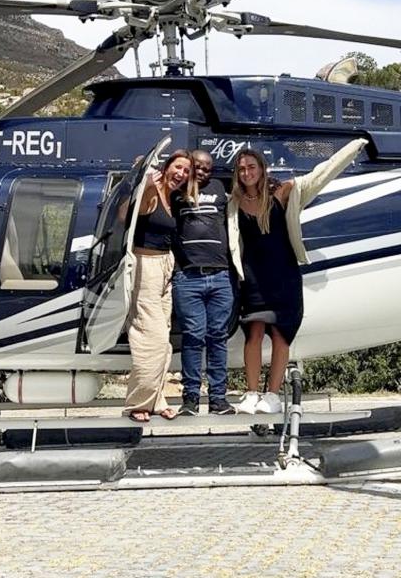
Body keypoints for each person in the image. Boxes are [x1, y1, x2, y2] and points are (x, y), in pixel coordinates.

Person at [228, 139, 366, 415]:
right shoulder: (234, 202)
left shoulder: (283, 193)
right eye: (241, 169)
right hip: (253, 277)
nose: (246, 173)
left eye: (251, 167)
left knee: (281, 336)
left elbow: (321, 174)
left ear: (262, 168)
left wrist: (354, 148)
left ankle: (272, 395)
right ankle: (251, 393)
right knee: (252, 334)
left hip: (283, 276)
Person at [124, 150, 196, 423]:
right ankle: (137, 403)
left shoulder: (172, 199)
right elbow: (129, 214)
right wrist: (144, 179)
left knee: (163, 343)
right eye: (178, 167)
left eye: (186, 171)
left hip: (165, 266)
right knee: (149, 338)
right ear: (166, 168)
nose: (181, 174)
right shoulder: (152, 193)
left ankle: (155, 400)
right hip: (146, 267)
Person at [171, 150, 237, 416]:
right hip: (188, 277)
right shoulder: (176, 194)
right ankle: (190, 398)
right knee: (193, 337)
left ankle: (219, 398)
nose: (202, 172)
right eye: (197, 167)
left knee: (217, 338)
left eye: (207, 169)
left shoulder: (220, 187)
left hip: (220, 275)